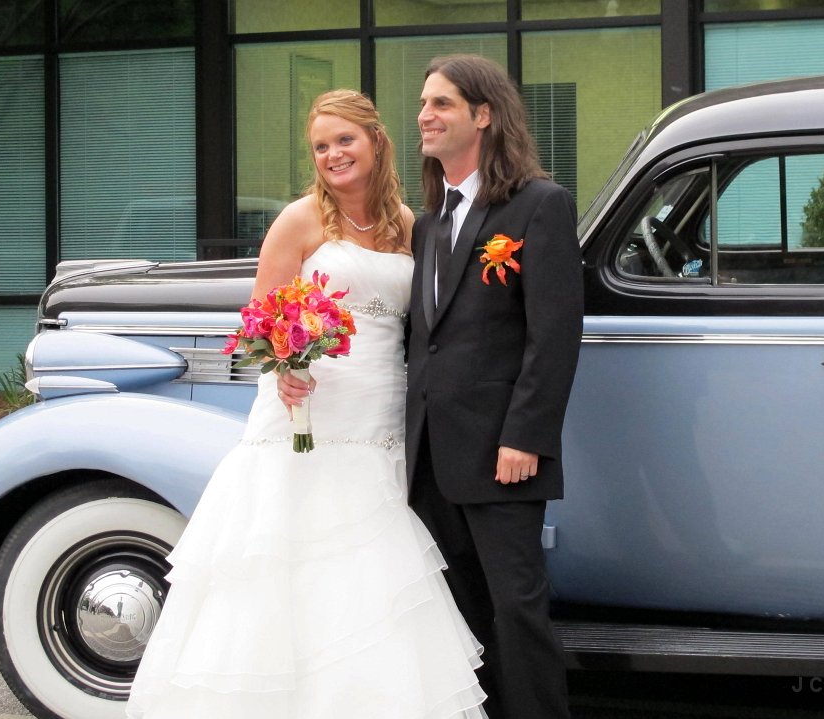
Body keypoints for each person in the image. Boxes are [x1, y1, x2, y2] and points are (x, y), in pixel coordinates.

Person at [126, 89, 488, 719]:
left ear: (376, 140)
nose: (333, 155)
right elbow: (260, 321)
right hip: (307, 411)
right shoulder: (300, 220)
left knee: (368, 569)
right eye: (321, 146)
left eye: (345, 140)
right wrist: (283, 371)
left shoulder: (410, 224)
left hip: (380, 414)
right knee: (290, 561)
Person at [406, 55, 583, 719]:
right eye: (424, 103)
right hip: (430, 457)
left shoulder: (540, 205)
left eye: (441, 103)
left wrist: (525, 436)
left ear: (483, 114)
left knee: (516, 610)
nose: (424, 116)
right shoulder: (427, 223)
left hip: (502, 454)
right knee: (461, 617)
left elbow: (554, 335)